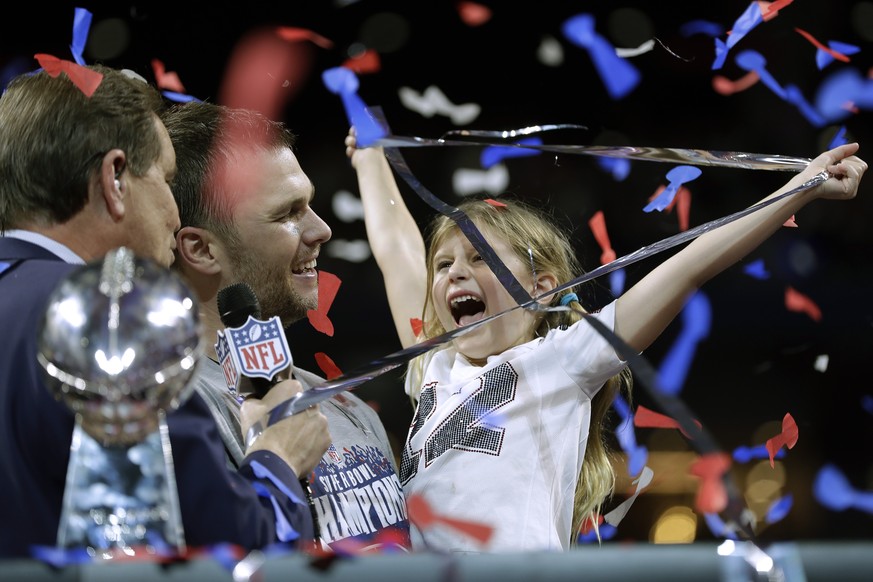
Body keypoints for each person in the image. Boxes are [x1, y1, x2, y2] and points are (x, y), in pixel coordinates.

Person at [346, 128, 867, 552]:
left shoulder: (564, 359)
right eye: (445, 264)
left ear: (541, 287)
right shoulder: (435, 367)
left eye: (480, 258)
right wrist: (370, 160)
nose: (455, 274)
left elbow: (690, 265)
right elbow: (397, 254)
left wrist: (800, 187)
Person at [0, 64, 330, 558]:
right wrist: (278, 458)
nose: (174, 214)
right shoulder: (111, 313)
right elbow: (224, 543)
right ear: (115, 178)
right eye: (165, 178)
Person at [162, 100, 412, 553]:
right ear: (200, 249)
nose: (321, 230)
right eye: (287, 214)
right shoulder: (176, 415)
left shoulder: (351, 409)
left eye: (310, 205)